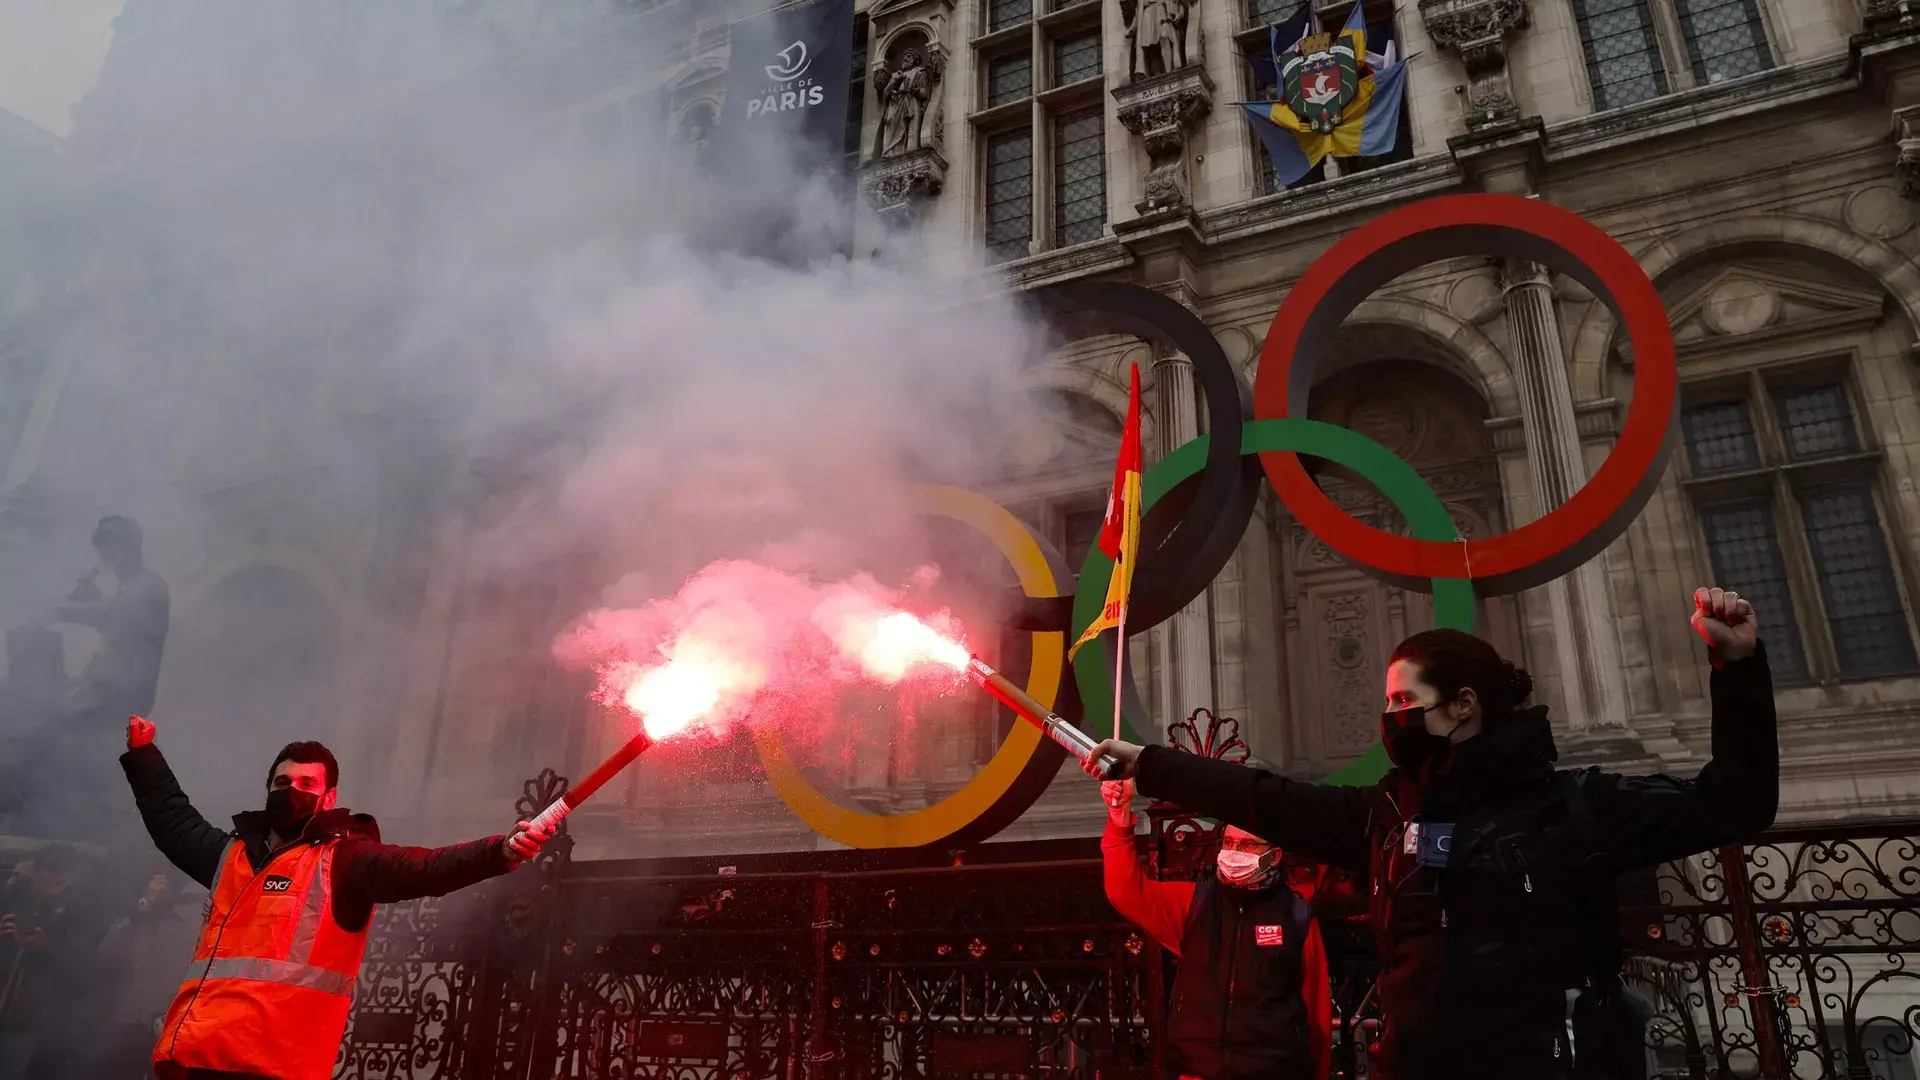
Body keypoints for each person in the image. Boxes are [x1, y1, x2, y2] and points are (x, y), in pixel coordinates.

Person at [1085, 587, 1779, 1080]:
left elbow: (1735, 802)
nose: (1390, 717)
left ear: (1463, 705)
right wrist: (1152, 766)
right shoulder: (1389, 816)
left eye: (1403, 702)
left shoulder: (1575, 807)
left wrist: (1738, 668)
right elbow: (1267, 799)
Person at [120, 714, 555, 1080]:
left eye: (307, 783)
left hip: (273, 1069)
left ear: (330, 798)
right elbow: (174, 823)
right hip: (194, 1057)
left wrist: (498, 850)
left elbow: (425, 868)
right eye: (282, 780)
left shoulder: (345, 861)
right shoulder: (229, 856)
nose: (292, 789)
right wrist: (144, 757)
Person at [1102, 778, 1331, 1080]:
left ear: (1273, 857)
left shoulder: (1296, 917)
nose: (1236, 852)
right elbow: (1127, 892)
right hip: (1197, 1072)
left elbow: (1318, 1018)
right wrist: (1120, 824)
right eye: (1230, 843)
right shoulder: (1195, 904)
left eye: (1249, 845)